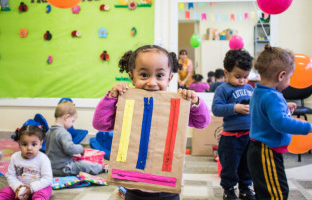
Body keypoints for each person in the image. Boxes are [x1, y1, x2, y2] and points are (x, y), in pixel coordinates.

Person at [93, 45, 211, 200]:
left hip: (168, 187)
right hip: (134, 188)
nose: (151, 82)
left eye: (160, 75)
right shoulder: (127, 104)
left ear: (169, 78)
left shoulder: (176, 105)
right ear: (131, 77)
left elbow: (202, 122)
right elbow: (100, 123)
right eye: (143, 75)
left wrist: (195, 102)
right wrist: (112, 97)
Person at [247, 44, 312, 200]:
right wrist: (308, 126)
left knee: (266, 191)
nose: (290, 82)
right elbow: (281, 124)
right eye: (290, 77)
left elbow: (265, 113)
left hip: (261, 150)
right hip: (266, 151)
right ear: (281, 76)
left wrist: (284, 108)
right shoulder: (273, 96)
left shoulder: (260, 91)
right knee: (277, 194)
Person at [212, 49, 255, 200]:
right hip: (231, 138)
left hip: (249, 136)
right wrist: (234, 108)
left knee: (247, 165)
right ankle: (229, 190)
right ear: (226, 72)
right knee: (229, 166)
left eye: (246, 76)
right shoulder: (222, 89)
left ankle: (245, 189)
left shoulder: (249, 89)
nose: (242, 80)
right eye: (238, 77)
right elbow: (216, 109)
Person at [0, 125, 53, 200]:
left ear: (40, 144)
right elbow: (10, 176)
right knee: (5, 191)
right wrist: (18, 188)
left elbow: (47, 179)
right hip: (20, 188)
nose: (29, 148)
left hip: (39, 188)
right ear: (19, 144)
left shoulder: (43, 159)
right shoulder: (15, 157)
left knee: (42, 194)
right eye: (24, 144)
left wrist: (31, 188)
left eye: (34, 144)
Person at [45, 101, 104, 176]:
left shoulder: (49, 132)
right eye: (72, 121)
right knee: (84, 164)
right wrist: (81, 148)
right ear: (67, 117)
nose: (72, 124)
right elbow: (70, 148)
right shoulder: (63, 133)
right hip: (64, 168)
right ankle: (101, 167)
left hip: (50, 169)